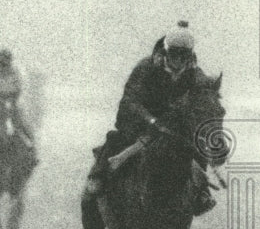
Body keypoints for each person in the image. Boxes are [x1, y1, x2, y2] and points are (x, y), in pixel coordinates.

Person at [82, 20, 214, 214]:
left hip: (172, 128)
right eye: (174, 55)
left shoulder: (195, 74)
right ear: (166, 52)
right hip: (140, 121)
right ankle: (98, 177)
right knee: (117, 138)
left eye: (183, 56)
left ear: (190, 56)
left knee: (194, 146)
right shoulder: (145, 67)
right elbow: (130, 99)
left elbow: (203, 96)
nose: (178, 61)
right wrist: (151, 120)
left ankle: (201, 192)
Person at [0, 48, 36, 149]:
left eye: (6, 63)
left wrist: (19, 101)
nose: (4, 67)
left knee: (21, 121)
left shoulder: (17, 71)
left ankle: (31, 144)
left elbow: (24, 87)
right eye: (1, 63)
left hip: (14, 98)